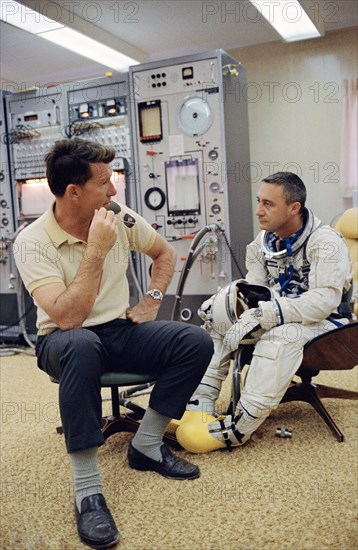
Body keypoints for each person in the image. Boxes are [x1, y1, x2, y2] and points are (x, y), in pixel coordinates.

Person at [13, 138, 213, 549]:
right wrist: (96, 251)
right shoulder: (32, 241)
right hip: (62, 340)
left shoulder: (117, 215)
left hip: (118, 329)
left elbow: (164, 255)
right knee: (82, 344)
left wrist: (151, 301)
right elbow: (69, 318)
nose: (114, 192)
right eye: (105, 183)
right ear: (74, 192)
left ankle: (146, 445)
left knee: (194, 340)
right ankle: (88, 491)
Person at [175, 172, 353, 453]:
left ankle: (238, 429)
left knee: (281, 335)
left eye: (268, 204)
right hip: (284, 312)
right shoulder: (262, 244)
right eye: (259, 201)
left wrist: (269, 314)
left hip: (332, 324)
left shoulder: (326, 242)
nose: (259, 210)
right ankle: (199, 405)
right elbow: (255, 293)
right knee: (219, 321)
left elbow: (323, 301)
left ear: (294, 208)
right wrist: (229, 308)